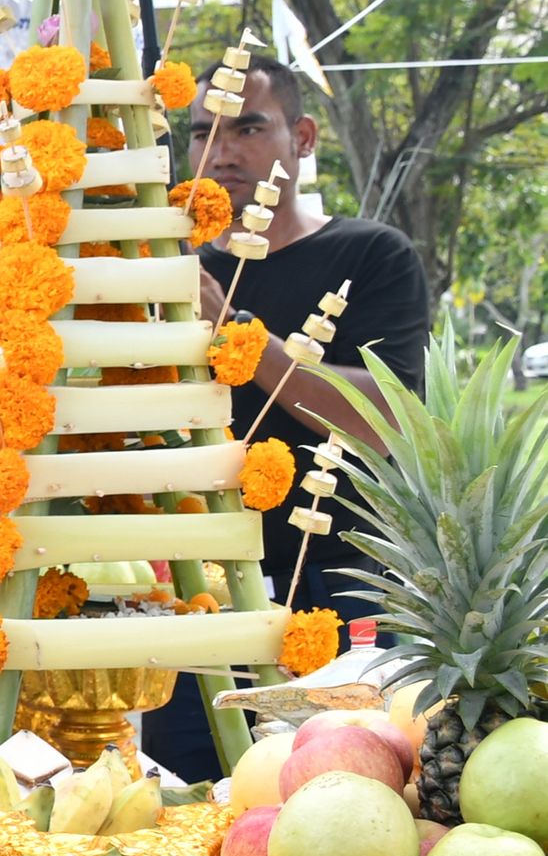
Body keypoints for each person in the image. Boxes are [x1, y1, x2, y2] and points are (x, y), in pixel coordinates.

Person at [146, 54, 430, 781]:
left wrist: (235, 329)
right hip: (197, 604)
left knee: (336, 810)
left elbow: (385, 419)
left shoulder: (372, 254)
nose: (223, 149)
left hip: (337, 591)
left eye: (248, 126)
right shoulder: (174, 273)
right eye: (204, 129)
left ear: (302, 137)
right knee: (186, 809)